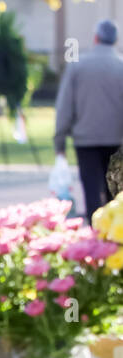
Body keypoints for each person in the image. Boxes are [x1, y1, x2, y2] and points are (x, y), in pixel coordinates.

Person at [54, 19, 123, 220]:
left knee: (91, 191)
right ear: (115, 40)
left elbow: (65, 107)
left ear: (95, 38)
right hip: (116, 139)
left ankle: (95, 238)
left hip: (86, 140)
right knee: (115, 193)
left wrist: (59, 141)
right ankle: (115, 240)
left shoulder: (77, 67)